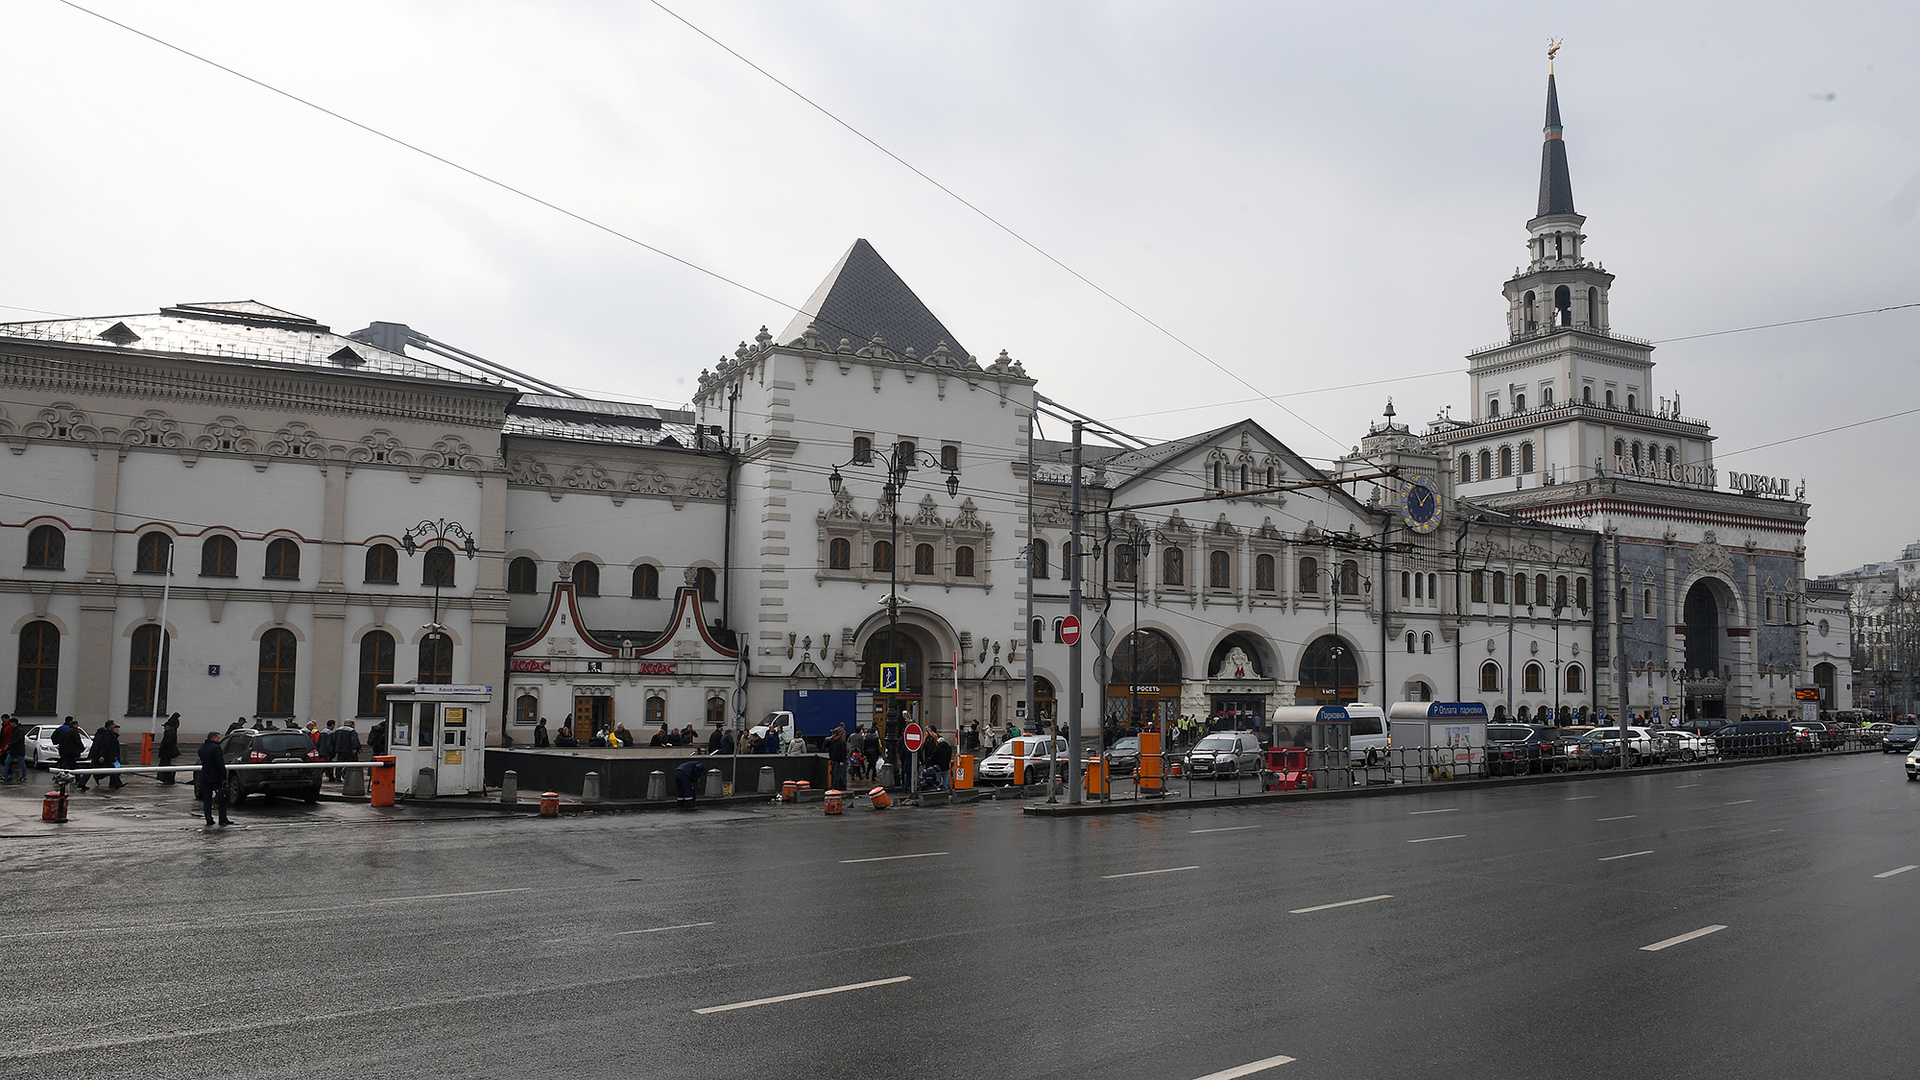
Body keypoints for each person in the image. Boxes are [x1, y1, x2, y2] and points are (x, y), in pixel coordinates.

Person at [79, 721, 124, 792]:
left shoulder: (100, 732)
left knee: (90, 769)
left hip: (96, 755)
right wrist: (102, 755)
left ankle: (82, 783)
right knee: (112, 769)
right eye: (114, 725)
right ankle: (117, 783)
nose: (115, 727)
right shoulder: (107, 734)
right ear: (110, 726)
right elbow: (105, 745)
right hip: (102, 756)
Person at [197, 731, 231, 827]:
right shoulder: (216, 748)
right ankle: (222, 818)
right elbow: (220, 764)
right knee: (221, 799)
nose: (219, 740)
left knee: (207, 800)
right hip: (216, 777)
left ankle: (209, 819)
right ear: (213, 738)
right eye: (218, 738)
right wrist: (223, 777)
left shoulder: (202, 749)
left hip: (205, 776)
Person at [156, 714, 181, 785]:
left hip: (167, 753)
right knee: (166, 765)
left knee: (166, 766)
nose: (164, 728)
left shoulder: (170, 733)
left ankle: (168, 779)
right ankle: (166, 778)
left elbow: (166, 744)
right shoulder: (172, 731)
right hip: (168, 752)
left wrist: (162, 749)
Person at [1, 715, 25, 783]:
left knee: (21, 763)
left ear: (14, 723)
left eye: (11, 723)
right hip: (13, 750)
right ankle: (3, 775)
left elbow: (19, 740)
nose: (10, 724)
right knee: (7, 762)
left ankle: (24, 776)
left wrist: (9, 745)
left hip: (19, 750)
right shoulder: (12, 730)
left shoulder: (19, 730)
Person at [826, 725, 849, 790]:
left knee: (836, 773)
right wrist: (829, 740)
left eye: (834, 736)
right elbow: (826, 746)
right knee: (837, 773)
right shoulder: (833, 741)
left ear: (837, 736)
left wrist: (842, 761)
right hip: (833, 758)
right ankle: (842, 785)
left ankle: (834, 786)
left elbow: (843, 752)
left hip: (838, 759)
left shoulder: (842, 742)